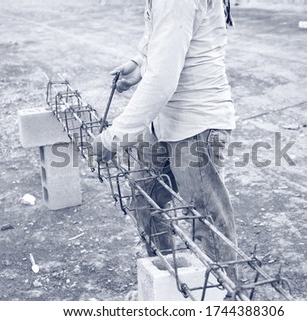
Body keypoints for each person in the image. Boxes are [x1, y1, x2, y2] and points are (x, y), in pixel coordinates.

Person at [93, 0, 238, 292]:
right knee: (143, 193)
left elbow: (162, 80)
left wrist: (114, 137)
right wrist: (140, 62)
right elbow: (169, 40)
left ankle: (223, 299)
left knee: (206, 225)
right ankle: (173, 284)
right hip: (168, 122)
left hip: (196, 125)